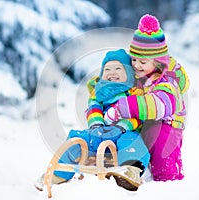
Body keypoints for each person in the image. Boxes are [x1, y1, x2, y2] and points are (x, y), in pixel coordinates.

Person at [35, 49, 150, 191]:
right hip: (99, 131)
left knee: (132, 140)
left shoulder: (134, 93)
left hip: (123, 132)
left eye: (118, 68)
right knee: (77, 138)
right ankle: (59, 174)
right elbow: (93, 109)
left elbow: (137, 116)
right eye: (107, 69)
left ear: (129, 73)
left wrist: (121, 126)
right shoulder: (98, 93)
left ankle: (130, 170)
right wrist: (96, 125)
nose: (111, 72)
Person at [104, 14, 190, 182]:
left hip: (168, 127)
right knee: (142, 152)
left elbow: (158, 105)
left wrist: (124, 107)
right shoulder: (142, 75)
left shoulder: (167, 81)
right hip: (148, 124)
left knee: (163, 163)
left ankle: (170, 184)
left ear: (157, 62)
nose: (136, 65)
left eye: (142, 62)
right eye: (134, 59)